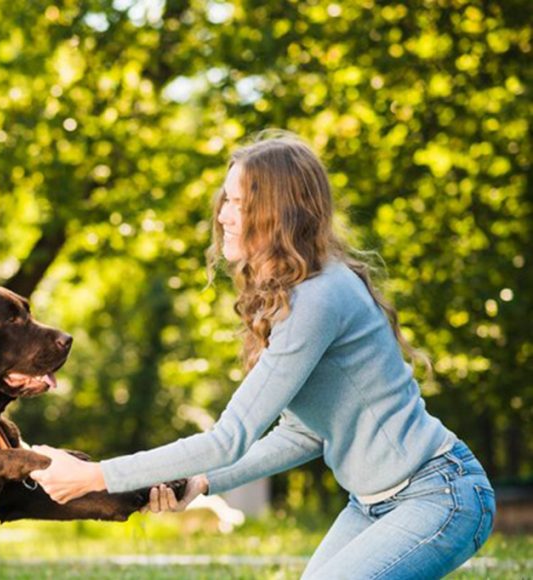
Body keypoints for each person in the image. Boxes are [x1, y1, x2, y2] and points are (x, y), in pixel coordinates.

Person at [29, 131, 496, 579]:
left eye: (239, 203)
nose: (224, 216)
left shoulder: (320, 298)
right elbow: (303, 434)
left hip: (440, 495)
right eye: (225, 200)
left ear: (279, 213)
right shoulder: (297, 296)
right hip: (373, 503)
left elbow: (227, 439)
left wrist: (95, 476)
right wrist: (201, 482)